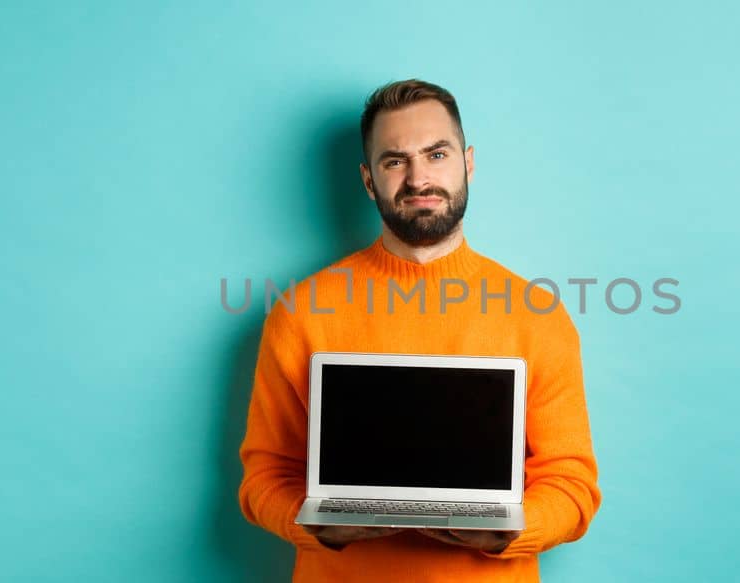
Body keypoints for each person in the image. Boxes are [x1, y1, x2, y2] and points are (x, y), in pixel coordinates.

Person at [237, 79, 602, 582]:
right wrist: (316, 526)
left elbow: (572, 482)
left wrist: (511, 531)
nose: (418, 179)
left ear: (467, 163)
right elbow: (262, 477)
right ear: (369, 181)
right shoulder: (301, 312)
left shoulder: (536, 314)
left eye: (436, 154)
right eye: (395, 161)